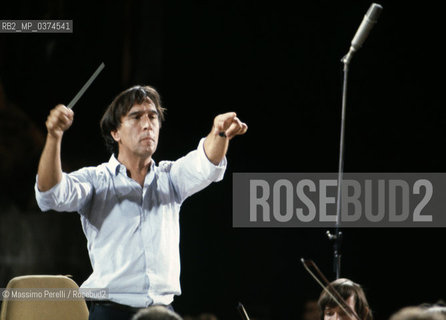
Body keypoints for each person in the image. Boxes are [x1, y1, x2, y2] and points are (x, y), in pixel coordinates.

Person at [34, 85, 247, 320]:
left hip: (162, 312)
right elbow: (51, 192)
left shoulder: (170, 177)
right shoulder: (96, 180)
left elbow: (205, 163)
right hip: (110, 312)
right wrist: (54, 137)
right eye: (136, 117)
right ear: (115, 132)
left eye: (153, 117)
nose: (147, 125)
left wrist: (220, 133)